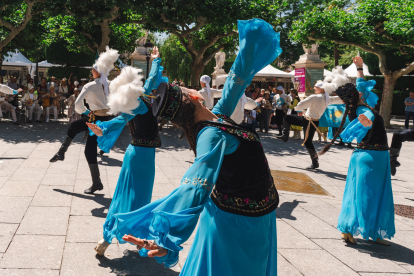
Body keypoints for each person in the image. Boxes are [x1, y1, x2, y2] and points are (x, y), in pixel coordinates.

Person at [115, 18, 281, 275]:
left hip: (255, 216)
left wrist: (248, 44)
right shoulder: (209, 135)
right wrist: (166, 238)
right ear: (193, 97)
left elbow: (237, 80)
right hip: (237, 224)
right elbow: (196, 184)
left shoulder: (219, 115)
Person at [87, 47, 166, 256]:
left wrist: (156, 60)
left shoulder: (145, 96)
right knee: (133, 198)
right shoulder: (137, 103)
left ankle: (118, 239)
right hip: (140, 155)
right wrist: (102, 129)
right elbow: (119, 120)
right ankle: (115, 238)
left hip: (143, 155)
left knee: (132, 197)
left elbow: (151, 79)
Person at [320, 56, 394, 246]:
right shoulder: (362, 111)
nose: (363, 91)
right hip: (372, 157)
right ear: (358, 96)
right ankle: (352, 230)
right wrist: (367, 124)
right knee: (367, 195)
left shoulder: (359, 104)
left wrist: (359, 67)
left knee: (367, 193)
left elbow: (361, 84)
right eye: (359, 91)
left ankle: (372, 231)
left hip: (372, 157)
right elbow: (363, 121)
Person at [49, 46, 119, 195]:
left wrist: (86, 111)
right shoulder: (110, 85)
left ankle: (95, 181)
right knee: (79, 134)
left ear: (98, 72)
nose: (91, 72)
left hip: (94, 119)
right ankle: (96, 182)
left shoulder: (90, 86)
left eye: (93, 70)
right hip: (105, 119)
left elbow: (77, 105)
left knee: (81, 139)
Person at [275, 68, 347, 169]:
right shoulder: (327, 98)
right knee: (288, 118)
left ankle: (314, 162)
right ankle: (285, 136)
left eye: (315, 87)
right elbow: (339, 100)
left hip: (308, 122)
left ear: (321, 89)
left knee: (307, 141)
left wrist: (299, 109)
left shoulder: (315, 97)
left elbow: (300, 104)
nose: (314, 88)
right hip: (310, 120)